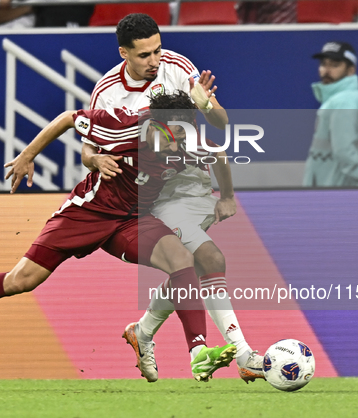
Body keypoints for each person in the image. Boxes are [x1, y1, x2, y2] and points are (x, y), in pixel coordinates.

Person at [0, 91, 236, 383]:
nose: (176, 142)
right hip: (86, 214)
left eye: (183, 133)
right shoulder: (123, 125)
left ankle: (198, 353)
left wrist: (227, 197)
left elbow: (219, 156)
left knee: (182, 259)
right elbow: (69, 119)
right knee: (20, 281)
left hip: (133, 219)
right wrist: (28, 155)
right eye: (171, 134)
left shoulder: (187, 141)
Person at [83, 13, 265, 384]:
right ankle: (243, 354)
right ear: (124, 53)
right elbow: (88, 150)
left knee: (193, 269)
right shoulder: (106, 92)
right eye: (145, 55)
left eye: (158, 50)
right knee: (209, 258)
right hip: (151, 192)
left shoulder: (179, 67)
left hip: (191, 181)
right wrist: (96, 159)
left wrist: (207, 105)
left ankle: (143, 331)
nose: (155, 61)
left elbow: (220, 126)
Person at [303, 41, 358, 187]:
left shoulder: (343, 102)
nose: (326, 70)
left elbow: (343, 150)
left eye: (335, 65)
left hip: (336, 190)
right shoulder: (350, 98)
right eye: (323, 64)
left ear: (351, 70)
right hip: (339, 187)